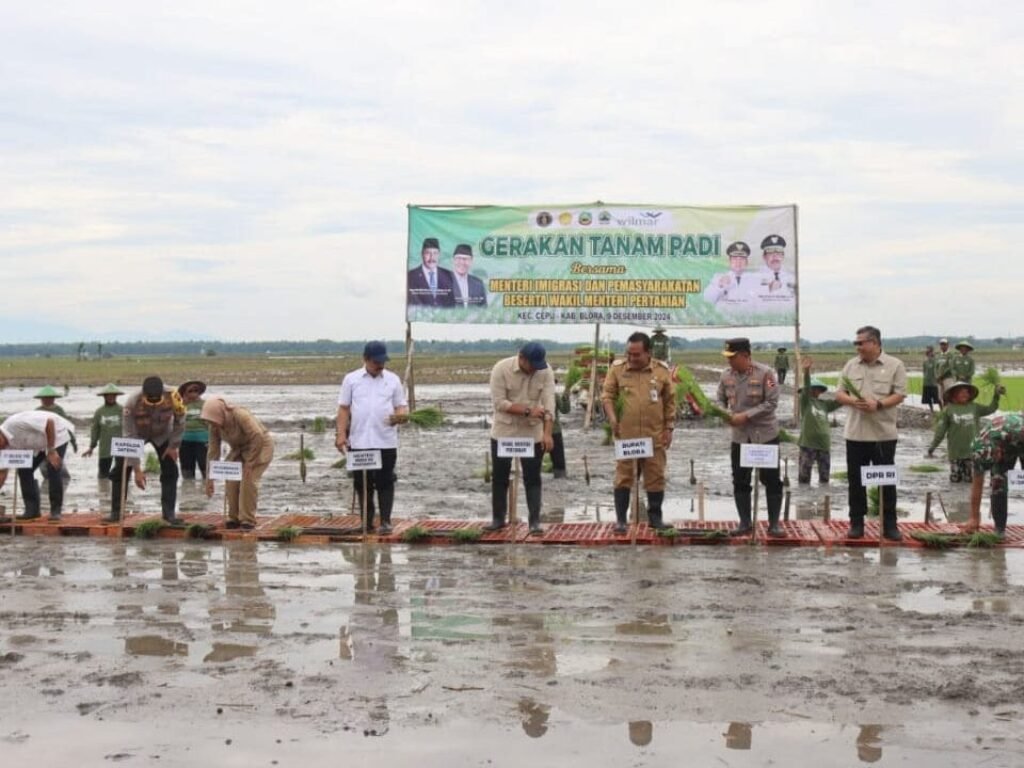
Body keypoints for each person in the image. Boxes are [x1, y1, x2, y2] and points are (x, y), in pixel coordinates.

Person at [835, 325, 907, 541]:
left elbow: (900, 394)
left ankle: (890, 525)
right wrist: (853, 401)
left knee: (886, 481)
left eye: (861, 343)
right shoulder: (851, 365)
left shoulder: (895, 365)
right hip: (856, 435)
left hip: (883, 435)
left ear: (874, 343)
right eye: (856, 343)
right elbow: (839, 394)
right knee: (855, 482)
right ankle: (856, 523)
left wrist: (879, 404)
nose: (857, 347)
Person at [603, 331, 676, 533]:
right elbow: (607, 396)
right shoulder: (617, 370)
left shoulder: (661, 371)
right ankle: (620, 521)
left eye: (637, 354)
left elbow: (670, 401)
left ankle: (655, 519)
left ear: (648, 353)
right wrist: (612, 418)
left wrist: (669, 428)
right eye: (629, 354)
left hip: (654, 436)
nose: (632, 358)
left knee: (655, 476)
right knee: (624, 476)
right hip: (627, 436)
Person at [335, 341, 409, 534]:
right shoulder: (351, 379)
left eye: (383, 361)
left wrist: (400, 416)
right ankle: (366, 521)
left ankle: (385, 522)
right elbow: (343, 408)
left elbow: (401, 405)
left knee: (386, 480)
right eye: (376, 361)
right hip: (359, 441)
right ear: (366, 359)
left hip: (385, 440)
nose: (380, 365)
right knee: (361, 483)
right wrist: (341, 434)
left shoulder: (392, 380)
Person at [716, 337, 785, 537]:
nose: (729, 361)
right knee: (740, 479)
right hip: (740, 437)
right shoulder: (725, 376)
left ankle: (774, 524)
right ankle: (744, 523)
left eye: (732, 357)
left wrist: (746, 415)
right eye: (727, 357)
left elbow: (771, 403)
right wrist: (725, 414)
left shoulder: (766, 374)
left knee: (771, 479)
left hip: (764, 436)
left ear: (745, 356)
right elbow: (720, 399)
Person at [486, 343, 555, 534]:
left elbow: (549, 403)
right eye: (531, 364)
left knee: (533, 478)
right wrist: (527, 410)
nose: (534, 369)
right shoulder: (501, 369)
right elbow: (499, 403)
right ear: (521, 358)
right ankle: (498, 519)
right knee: (500, 477)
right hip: (504, 433)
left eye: (538, 365)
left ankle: (534, 522)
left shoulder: (545, 371)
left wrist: (547, 433)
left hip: (532, 434)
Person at [108, 376, 186, 525]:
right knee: (121, 470)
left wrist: (173, 446)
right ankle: (116, 512)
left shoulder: (174, 396)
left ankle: (169, 514)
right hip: (137, 435)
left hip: (163, 435)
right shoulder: (131, 402)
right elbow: (128, 435)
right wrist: (137, 469)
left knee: (171, 471)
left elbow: (180, 421)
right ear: (144, 394)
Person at [202, 397, 274, 531]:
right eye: (209, 421)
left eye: (213, 419)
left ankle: (247, 520)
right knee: (232, 480)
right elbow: (213, 451)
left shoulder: (240, 415)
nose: (212, 423)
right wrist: (209, 479)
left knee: (248, 479)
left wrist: (250, 463)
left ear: (221, 413)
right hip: (239, 449)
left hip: (259, 446)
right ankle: (233, 518)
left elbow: (257, 436)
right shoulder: (214, 427)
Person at [0, 410, 75, 521]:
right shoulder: (4, 446)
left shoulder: (15, 424)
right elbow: (2, 471)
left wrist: (51, 450)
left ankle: (55, 511)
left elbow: (49, 423)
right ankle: (32, 510)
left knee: (53, 467)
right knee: (24, 471)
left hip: (57, 433)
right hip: (36, 444)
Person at [928, 380, 1004, 482]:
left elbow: (991, 409)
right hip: (955, 452)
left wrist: (996, 396)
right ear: (953, 395)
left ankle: (969, 498)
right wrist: (932, 447)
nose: (964, 394)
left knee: (970, 480)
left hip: (972, 452)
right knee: (955, 479)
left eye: (966, 392)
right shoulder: (948, 410)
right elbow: (940, 431)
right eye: (961, 392)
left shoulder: (975, 407)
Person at [966, 412, 1024, 537]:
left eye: (996, 458)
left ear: (997, 449)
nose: (996, 462)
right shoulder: (979, 450)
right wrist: (974, 517)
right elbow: (977, 484)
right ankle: (999, 529)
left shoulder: (1017, 431)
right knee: (998, 483)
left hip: (1018, 438)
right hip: (1004, 446)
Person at [797, 358, 842, 485]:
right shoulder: (805, 403)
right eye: (812, 388)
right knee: (804, 477)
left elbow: (840, 402)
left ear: (819, 391)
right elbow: (805, 387)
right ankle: (804, 503)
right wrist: (806, 371)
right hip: (808, 444)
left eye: (816, 389)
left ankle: (823, 502)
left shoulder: (824, 404)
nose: (814, 391)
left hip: (824, 444)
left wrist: (848, 390)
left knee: (824, 478)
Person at [82, 383, 124, 478]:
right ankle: (103, 491)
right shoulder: (99, 412)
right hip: (105, 446)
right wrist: (91, 447)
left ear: (116, 396)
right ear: (104, 397)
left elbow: (130, 428)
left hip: (121, 446)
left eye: (113, 395)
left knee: (123, 471)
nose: (111, 397)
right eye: (108, 395)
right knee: (103, 474)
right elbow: (95, 430)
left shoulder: (122, 410)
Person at [703, 241, 757, 311]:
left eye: (742, 258)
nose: (738, 262)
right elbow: (707, 299)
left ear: (747, 262)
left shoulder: (754, 279)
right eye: (735, 258)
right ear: (729, 261)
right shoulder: (719, 277)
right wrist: (720, 286)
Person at [407, 237, 455, 307]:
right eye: (428, 253)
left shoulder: (449, 275)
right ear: (422, 254)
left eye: (435, 253)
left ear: (439, 254)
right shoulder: (410, 276)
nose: (432, 257)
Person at [178, 380, 209, 480]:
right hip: (185, 441)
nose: (193, 392)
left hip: (203, 441)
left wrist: (211, 440)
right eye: (190, 391)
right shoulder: (180, 406)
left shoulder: (206, 404)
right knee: (187, 472)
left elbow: (211, 424)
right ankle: (188, 491)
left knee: (206, 469)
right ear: (185, 393)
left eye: (196, 390)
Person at [754, 235, 796, 308]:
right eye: (770, 253)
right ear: (764, 257)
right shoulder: (755, 278)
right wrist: (769, 291)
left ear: (783, 256)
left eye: (778, 253)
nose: (775, 257)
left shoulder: (792, 278)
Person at [550, 387, 571, 479]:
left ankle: (560, 477)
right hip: (536, 432)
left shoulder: (554, 396)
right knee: (533, 463)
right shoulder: (532, 395)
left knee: (559, 461)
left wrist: (565, 398)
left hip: (555, 431)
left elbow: (564, 410)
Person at [921, 346, 940, 413]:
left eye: (930, 352)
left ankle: (942, 410)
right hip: (926, 382)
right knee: (928, 398)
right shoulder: (925, 362)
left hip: (934, 382)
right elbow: (924, 371)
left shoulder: (936, 361)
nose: (929, 353)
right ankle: (932, 410)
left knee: (937, 398)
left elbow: (938, 370)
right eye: (928, 352)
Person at [935, 338, 953, 405]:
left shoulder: (950, 355)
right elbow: (936, 367)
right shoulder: (939, 355)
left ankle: (947, 411)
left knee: (947, 396)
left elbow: (950, 367)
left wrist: (941, 376)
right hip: (939, 379)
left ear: (948, 345)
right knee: (940, 397)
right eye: (941, 344)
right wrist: (937, 376)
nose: (943, 346)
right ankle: (942, 411)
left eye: (944, 344)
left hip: (947, 378)